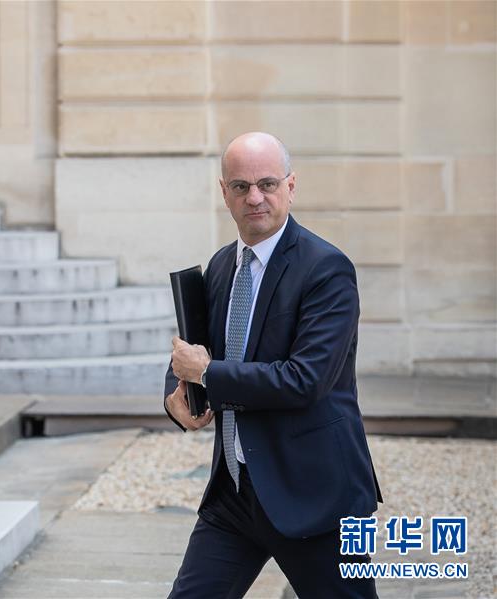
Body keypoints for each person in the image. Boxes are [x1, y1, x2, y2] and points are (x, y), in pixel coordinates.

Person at [162, 131, 383, 598]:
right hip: (234, 494)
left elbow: (305, 380)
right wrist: (176, 395)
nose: (254, 197)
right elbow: (198, 352)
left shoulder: (326, 270)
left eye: (267, 184)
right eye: (241, 186)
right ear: (224, 192)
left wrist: (206, 374)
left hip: (312, 495)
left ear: (291, 186)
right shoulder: (222, 266)